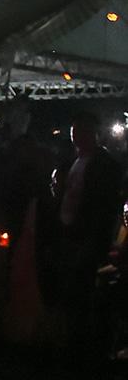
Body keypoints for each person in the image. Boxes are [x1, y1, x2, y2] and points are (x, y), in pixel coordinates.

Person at [52, 114, 124, 351]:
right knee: (72, 288)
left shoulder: (104, 165)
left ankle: (81, 343)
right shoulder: (74, 160)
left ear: (93, 133)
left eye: (81, 131)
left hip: (87, 236)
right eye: (74, 131)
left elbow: (104, 207)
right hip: (71, 231)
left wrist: (95, 239)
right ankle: (75, 339)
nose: (76, 136)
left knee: (81, 288)